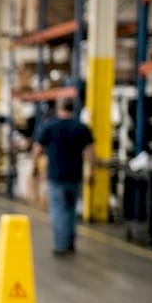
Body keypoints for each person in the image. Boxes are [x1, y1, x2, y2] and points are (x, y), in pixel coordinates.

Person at [32, 98, 95, 255]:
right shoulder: (81, 128)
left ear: (59, 108)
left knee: (57, 210)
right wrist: (92, 172)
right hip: (74, 176)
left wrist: (34, 167)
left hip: (56, 176)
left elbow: (37, 149)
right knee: (71, 209)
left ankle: (61, 244)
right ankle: (70, 241)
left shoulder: (49, 126)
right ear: (73, 109)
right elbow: (90, 153)